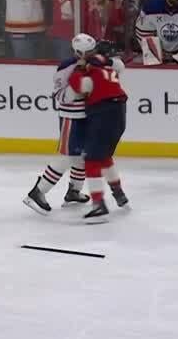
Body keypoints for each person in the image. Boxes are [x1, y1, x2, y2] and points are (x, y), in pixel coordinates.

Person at [23, 33, 124, 215]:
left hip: (89, 116)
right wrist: (78, 86)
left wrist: (108, 59)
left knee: (84, 156)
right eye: (89, 51)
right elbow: (60, 95)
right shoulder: (67, 67)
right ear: (78, 53)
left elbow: (119, 67)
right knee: (67, 156)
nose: (93, 53)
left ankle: (73, 191)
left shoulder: (96, 61)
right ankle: (38, 192)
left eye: (94, 50)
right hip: (71, 118)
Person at [66, 34, 131, 223]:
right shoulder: (107, 63)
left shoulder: (88, 69)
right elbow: (118, 66)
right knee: (103, 156)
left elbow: (82, 87)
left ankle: (98, 204)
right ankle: (119, 194)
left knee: (92, 159)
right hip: (119, 111)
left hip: (103, 112)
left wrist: (78, 70)